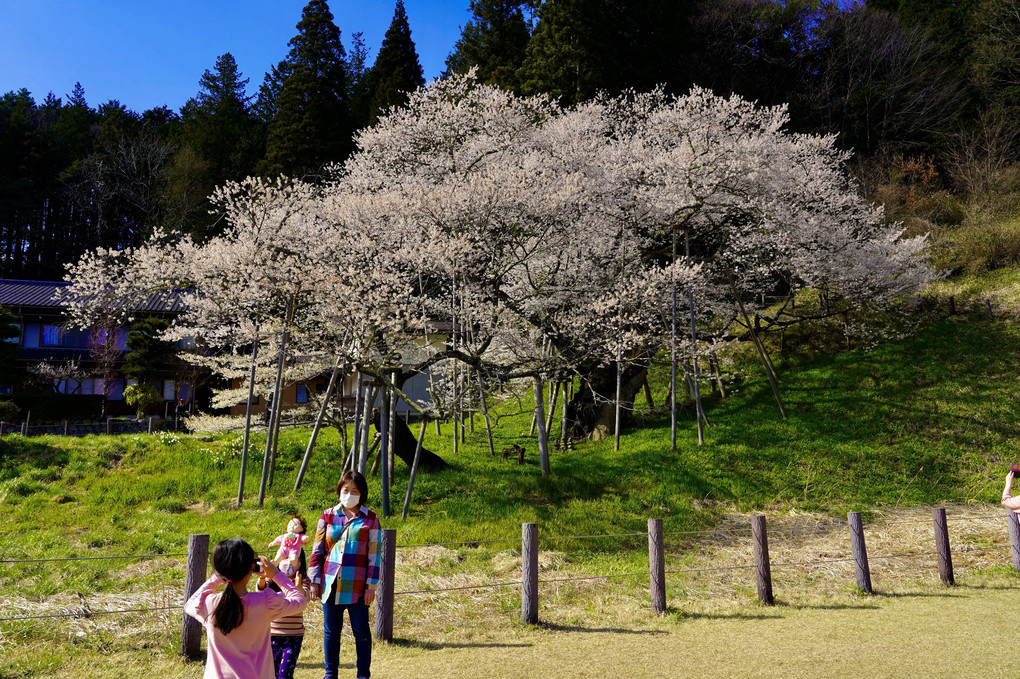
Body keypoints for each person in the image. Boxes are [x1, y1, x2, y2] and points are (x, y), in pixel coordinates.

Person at [184, 538, 307, 679]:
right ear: (251, 568)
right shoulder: (265, 602)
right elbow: (300, 601)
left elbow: (189, 604)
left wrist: (217, 577)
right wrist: (276, 575)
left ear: (218, 570)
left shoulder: (209, 604)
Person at [308, 470, 381, 679]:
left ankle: (363, 675)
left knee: (361, 632)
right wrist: (314, 581)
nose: (349, 494)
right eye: (345, 490)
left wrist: (371, 586)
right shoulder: (327, 515)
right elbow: (317, 550)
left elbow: (374, 556)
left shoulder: (371, 519)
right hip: (330, 584)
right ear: (339, 490)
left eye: (354, 491)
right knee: (331, 632)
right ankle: (330, 674)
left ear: (362, 493)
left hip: (357, 587)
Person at [258, 550, 309, 679]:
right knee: (271, 672)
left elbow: (305, 599)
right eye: (285, 558)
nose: (288, 562)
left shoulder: (302, 578)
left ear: (301, 562)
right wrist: (262, 578)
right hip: (272, 634)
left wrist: (299, 588)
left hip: (294, 635)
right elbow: (260, 591)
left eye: (294, 558)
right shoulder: (272, 579)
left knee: (285, 674)